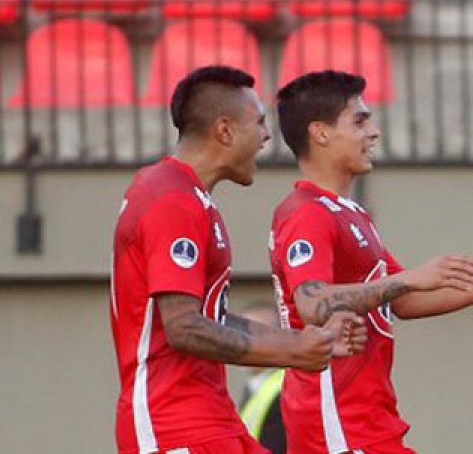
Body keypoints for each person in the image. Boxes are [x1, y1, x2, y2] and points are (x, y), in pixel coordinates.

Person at [270, 70, 473, 453]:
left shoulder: (349, 212)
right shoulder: (308, 214)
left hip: (368, 417)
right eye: (359, 121)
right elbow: (313, 303)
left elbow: (402, 302)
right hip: (336, 422)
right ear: (320, 133)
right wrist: (410, 278)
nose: (373, 132)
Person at [110, 66, 365, 454]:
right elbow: (183, 328)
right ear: (225, 130)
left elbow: (207, 318)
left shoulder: (188, 197)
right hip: (173, 425)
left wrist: (302, 341)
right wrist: (292, 351)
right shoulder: (172, 199)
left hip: (210, 416)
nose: (267, 135)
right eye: (259, 122)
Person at [238, 303, 287, 454]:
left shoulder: (285, 390)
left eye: (256, 333)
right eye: (240, 333)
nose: (244, 341)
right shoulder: (257, 386)